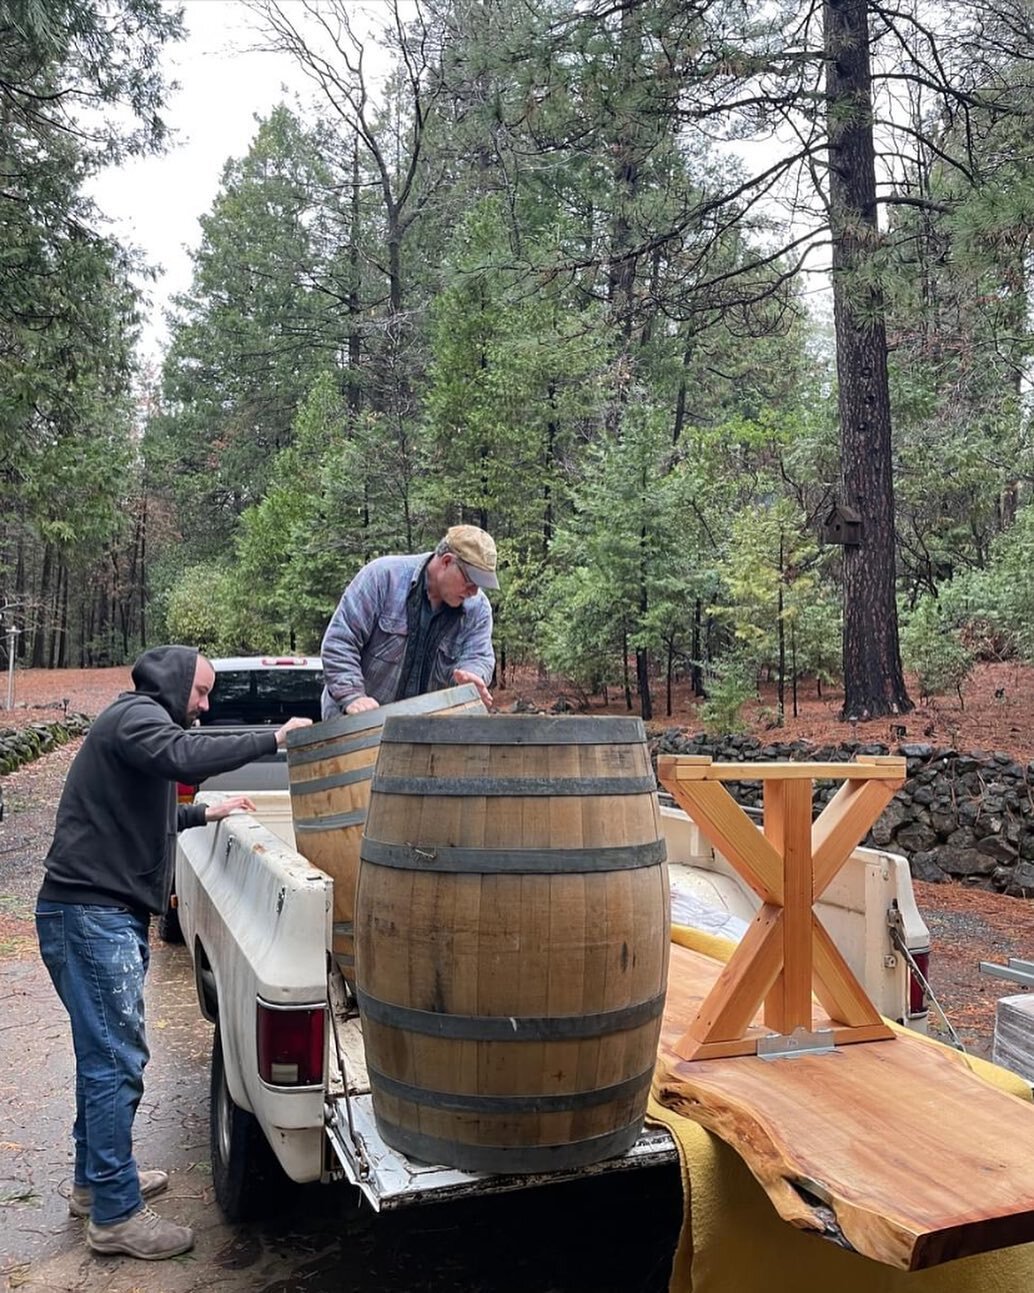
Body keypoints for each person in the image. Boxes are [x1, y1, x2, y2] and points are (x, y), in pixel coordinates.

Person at [34, 645, 312, 1262]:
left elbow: (145, 811)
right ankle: (114, 1216)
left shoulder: (138, 730)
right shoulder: (136, 718)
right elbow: (184, 755)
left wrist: (205, 811)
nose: (207, 705)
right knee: (115, 1061)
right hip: (91, 915)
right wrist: (274, 738)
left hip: (95, 912)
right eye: (203, 692)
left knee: (104, 1056)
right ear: (176, 681)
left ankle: (96, 1185)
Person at [320, 524, 499, 719]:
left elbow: (479, 656)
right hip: (354, 723)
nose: (473, 592)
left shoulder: (478, 608)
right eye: (470, 581)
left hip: (421, 732)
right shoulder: (382, 577)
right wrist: (352, 695)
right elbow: (340, 641)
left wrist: (472, 675)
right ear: (447, 562)